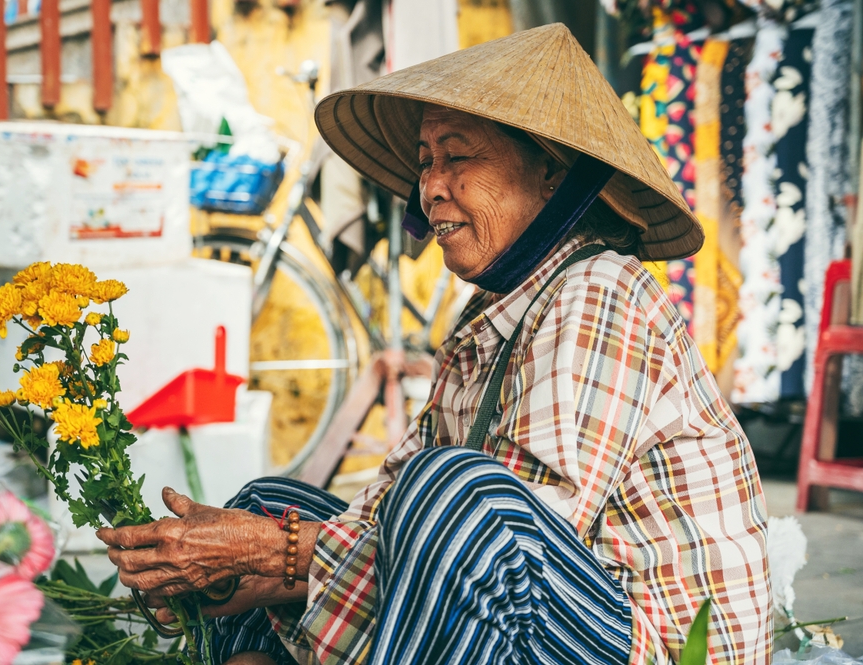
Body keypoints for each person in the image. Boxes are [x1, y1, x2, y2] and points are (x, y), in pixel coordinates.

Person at [98, 24, 771, 665]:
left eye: (458, 156)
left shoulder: (598, 289)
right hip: (538, 606)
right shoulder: (491, 314)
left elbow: (512, 537)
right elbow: (385, 503)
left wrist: (276, 556)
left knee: (456, 495)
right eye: (425, 161)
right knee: (268, 502)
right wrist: (258, 548)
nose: (431, 187)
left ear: (550, 173)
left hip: (657, 641)